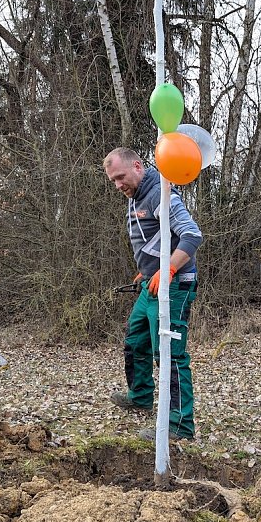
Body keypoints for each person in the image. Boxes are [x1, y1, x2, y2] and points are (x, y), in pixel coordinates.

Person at [103, 147, 203, 441]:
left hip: (175, 285)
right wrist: (148, 268)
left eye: (121, 177)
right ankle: (141, 395)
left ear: (137, 166)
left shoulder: (161, 193)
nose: (118, 185)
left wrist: (168, 269)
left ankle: (180, 426)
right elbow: (156, 236)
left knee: (170, 355)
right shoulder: (135, 196)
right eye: (113, 181)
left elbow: (192, 235)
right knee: (136, 340)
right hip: (151, 283)